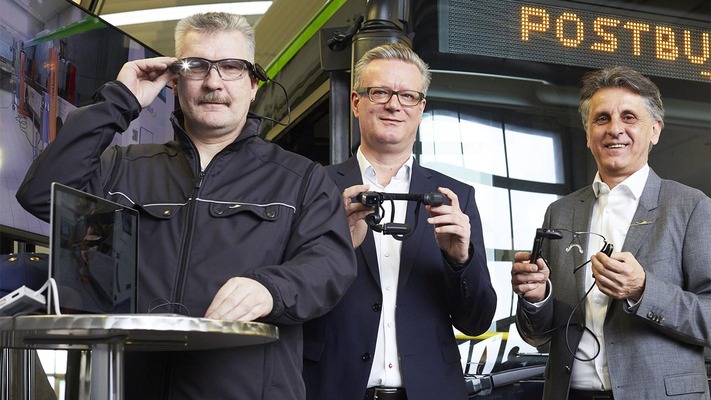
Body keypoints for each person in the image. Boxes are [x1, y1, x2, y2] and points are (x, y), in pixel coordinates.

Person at [16, 12, 357, 400]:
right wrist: (119, 102)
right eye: (197, 67)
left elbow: (331, 264)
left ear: (254, 84)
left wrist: (271, 289)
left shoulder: (302, 179)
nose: (214, 82)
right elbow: (41, 195)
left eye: (231, 67)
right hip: (127, 388)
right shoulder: (122, 168)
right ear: (174, 80)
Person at [302, 42, 497, 400]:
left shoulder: (456, 196)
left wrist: (460, 260)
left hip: (431, 390)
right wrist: (335, 246)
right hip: (330, 387)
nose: (394, 105)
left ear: (421, 108)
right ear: (356, 101)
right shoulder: (312, 187)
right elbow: (291, 302)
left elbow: (476, 321)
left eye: (407, 95)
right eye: (380, 92)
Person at [511, 66, 711, 400]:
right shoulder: (559, 212)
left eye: (629, 117)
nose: (614, 129)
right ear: (588, 134)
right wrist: (536, 298)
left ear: (655, 131)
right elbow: (537, 335)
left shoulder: (691, 207)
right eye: (602, 119)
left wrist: (642, 289)